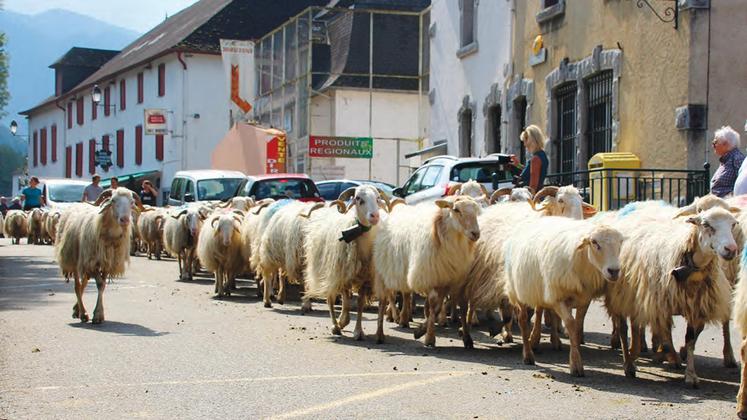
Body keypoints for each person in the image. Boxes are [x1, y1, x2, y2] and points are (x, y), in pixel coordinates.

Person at [508, 125, 549, 193]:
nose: (524, 145)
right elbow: (531, 172)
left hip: (528, 196)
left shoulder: (535, 159)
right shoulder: (542, 155)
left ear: (530, 140)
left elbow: (533, 186)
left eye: (524, 141)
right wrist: (518, 165)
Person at [710, 126, 745, 198]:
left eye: (715, 142)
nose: (713, 145)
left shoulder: (737, 158)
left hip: (727, 203)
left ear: (725, 144)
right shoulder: (726, 159)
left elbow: (742, 184)